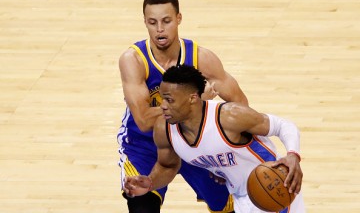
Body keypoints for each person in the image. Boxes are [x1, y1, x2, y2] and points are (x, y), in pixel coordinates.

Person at [117, 0, 249, 212]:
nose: (159, 29)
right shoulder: (133, 60)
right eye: (152, 22)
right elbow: (143, 120)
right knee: (141, 205)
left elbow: (241, 105)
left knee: (228, 208)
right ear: (145, 23)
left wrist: (231, 152)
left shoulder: (202, 58)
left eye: (166, 21)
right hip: (146, 145)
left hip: (194, 142)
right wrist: (191, 104)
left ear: (179, 18)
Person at [123, 65, 306, 213]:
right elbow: (167, 166)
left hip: (274, 186)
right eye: (163, 99)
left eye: (169, 100)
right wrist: (150, 182)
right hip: (241, 197)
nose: (162, 106)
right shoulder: (164, 128)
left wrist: (292, 155)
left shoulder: (229, 116)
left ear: (192, 98)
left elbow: (283, 126)